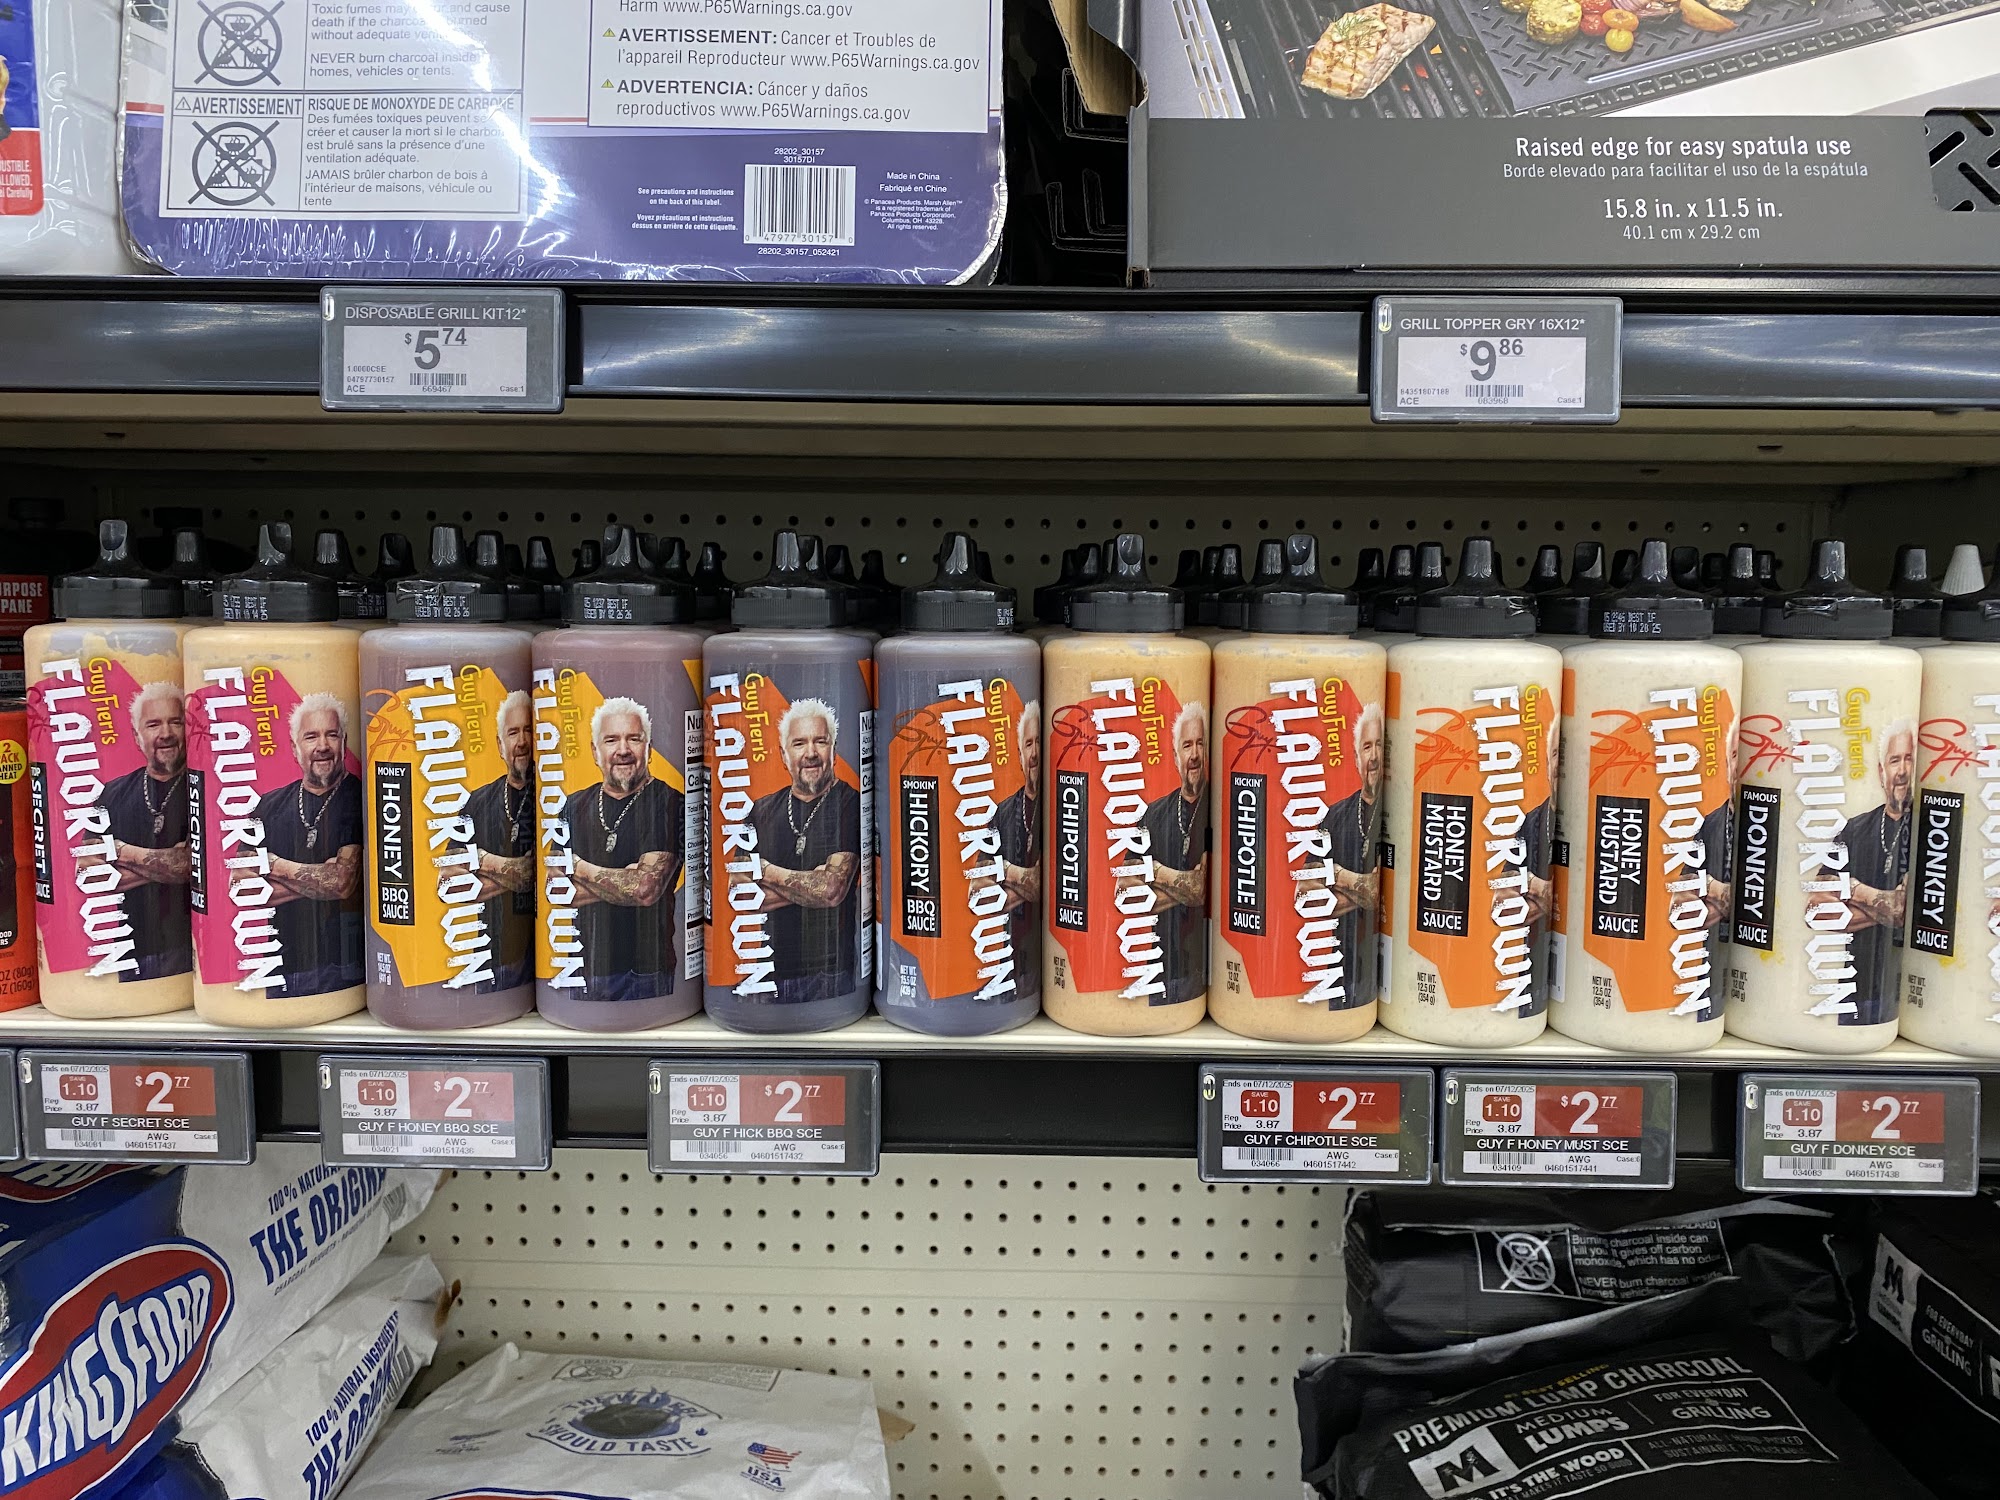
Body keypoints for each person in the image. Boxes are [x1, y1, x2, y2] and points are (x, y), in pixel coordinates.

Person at [740, 697, 861, 1004]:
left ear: (833, 749)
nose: (811, 753)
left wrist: (764, 871)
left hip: (830, 975)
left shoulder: (851, 803)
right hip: (765, 970)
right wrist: (811, 883)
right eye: (799, 743)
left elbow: (830, 890)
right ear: (784, 755)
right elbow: (739, 893)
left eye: (820, 741)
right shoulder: (760, 810)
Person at [563, 697, 683, 1003]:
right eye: (611, 740)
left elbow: (644, 889)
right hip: (580, 966)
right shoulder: (572, 806)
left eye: (634, 739)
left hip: (646, 973)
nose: (623, 750)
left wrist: (576, 867)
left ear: (649, 748)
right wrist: (622, 879)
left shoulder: (670, 802)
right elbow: (554, 888)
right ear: (595, 751)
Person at [251, 692, 362, 996]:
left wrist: (271, 865)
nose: (322, 746)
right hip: (278, 966)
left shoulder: (361, 797)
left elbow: (341, 883)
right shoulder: (267, 805)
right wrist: (321, 879)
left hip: (345, 971)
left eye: (332, 735)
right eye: (311, 736)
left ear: (344, 742)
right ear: (295, 748)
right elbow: (241, 886)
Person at [1805, 718, 1914, 1026]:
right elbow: (1814, 909)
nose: (1902, 770)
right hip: (1854, 988)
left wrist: (1851, 890)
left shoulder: (1931, 828)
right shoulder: (1855, 828)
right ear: (1882, 771)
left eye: (1909, 759)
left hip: (1904, 995)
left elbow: (1907, 911)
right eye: (1894, 760)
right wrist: (1887, 903)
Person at [89, 681, 192, 981]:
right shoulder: (111, 793)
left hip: (188, 952)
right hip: (125, 949)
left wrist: (117, 851)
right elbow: (88, 873)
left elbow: (191, 867)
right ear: (137, 736)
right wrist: (168, 863)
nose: (166, 733)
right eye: (153, 724)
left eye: (176, 722)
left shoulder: (204, 787)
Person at [1129, 700, 1209, 1005]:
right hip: (1155, 966)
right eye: (1187, 745)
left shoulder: (1220, 807)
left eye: (1200, 744)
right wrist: (1187, 884)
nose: (1195, 754)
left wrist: (1152, 874)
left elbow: (1204, 889)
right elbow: (1126, 890)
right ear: (1175, 756)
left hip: (1200, 968)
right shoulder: (1153, 814)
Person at [461, 689, 535, 991]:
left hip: (549, 961)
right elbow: (448, 883)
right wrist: (517, 871)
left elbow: (541, 874)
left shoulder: (557, 796)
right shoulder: (477, 801)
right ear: (500, 745)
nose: (523, 741)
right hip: (488, 960)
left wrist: (478, 860)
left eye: (529, 730)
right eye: (513, 733)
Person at [1314, 701, 1382, 1005]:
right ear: (1356, 758)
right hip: (1336, 967)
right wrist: (1366, 887)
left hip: (1377, 966)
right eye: (1367, 747)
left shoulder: (1397, 810)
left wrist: (1335, 878)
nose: (1374, 756)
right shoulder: (1335, 815)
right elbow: (1306, 894)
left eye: (1379, 745)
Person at [984, 701, 1042, 978]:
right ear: (1019, 755)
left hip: (1042, 954)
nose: (1035, 753)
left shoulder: (1062, 804)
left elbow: (1051, 883)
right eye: (1028, 744)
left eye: (1039, 742)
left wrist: (1002, 873)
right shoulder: (1003, 811)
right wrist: (1030, 879)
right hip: (1005, 955)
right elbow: (978, 892)